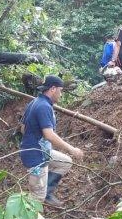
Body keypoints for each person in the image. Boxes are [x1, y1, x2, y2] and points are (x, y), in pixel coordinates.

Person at [19, 75, 84, 206]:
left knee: (65, 162)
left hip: (40, 152)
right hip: (36, 158)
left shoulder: (35, 102)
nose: (61, 94)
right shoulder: (44, 107)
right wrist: (72, 149)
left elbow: (22, 128)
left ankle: (47, 192)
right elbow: (49, 135)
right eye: (60, 90)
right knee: (36, 198)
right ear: (53, 89)